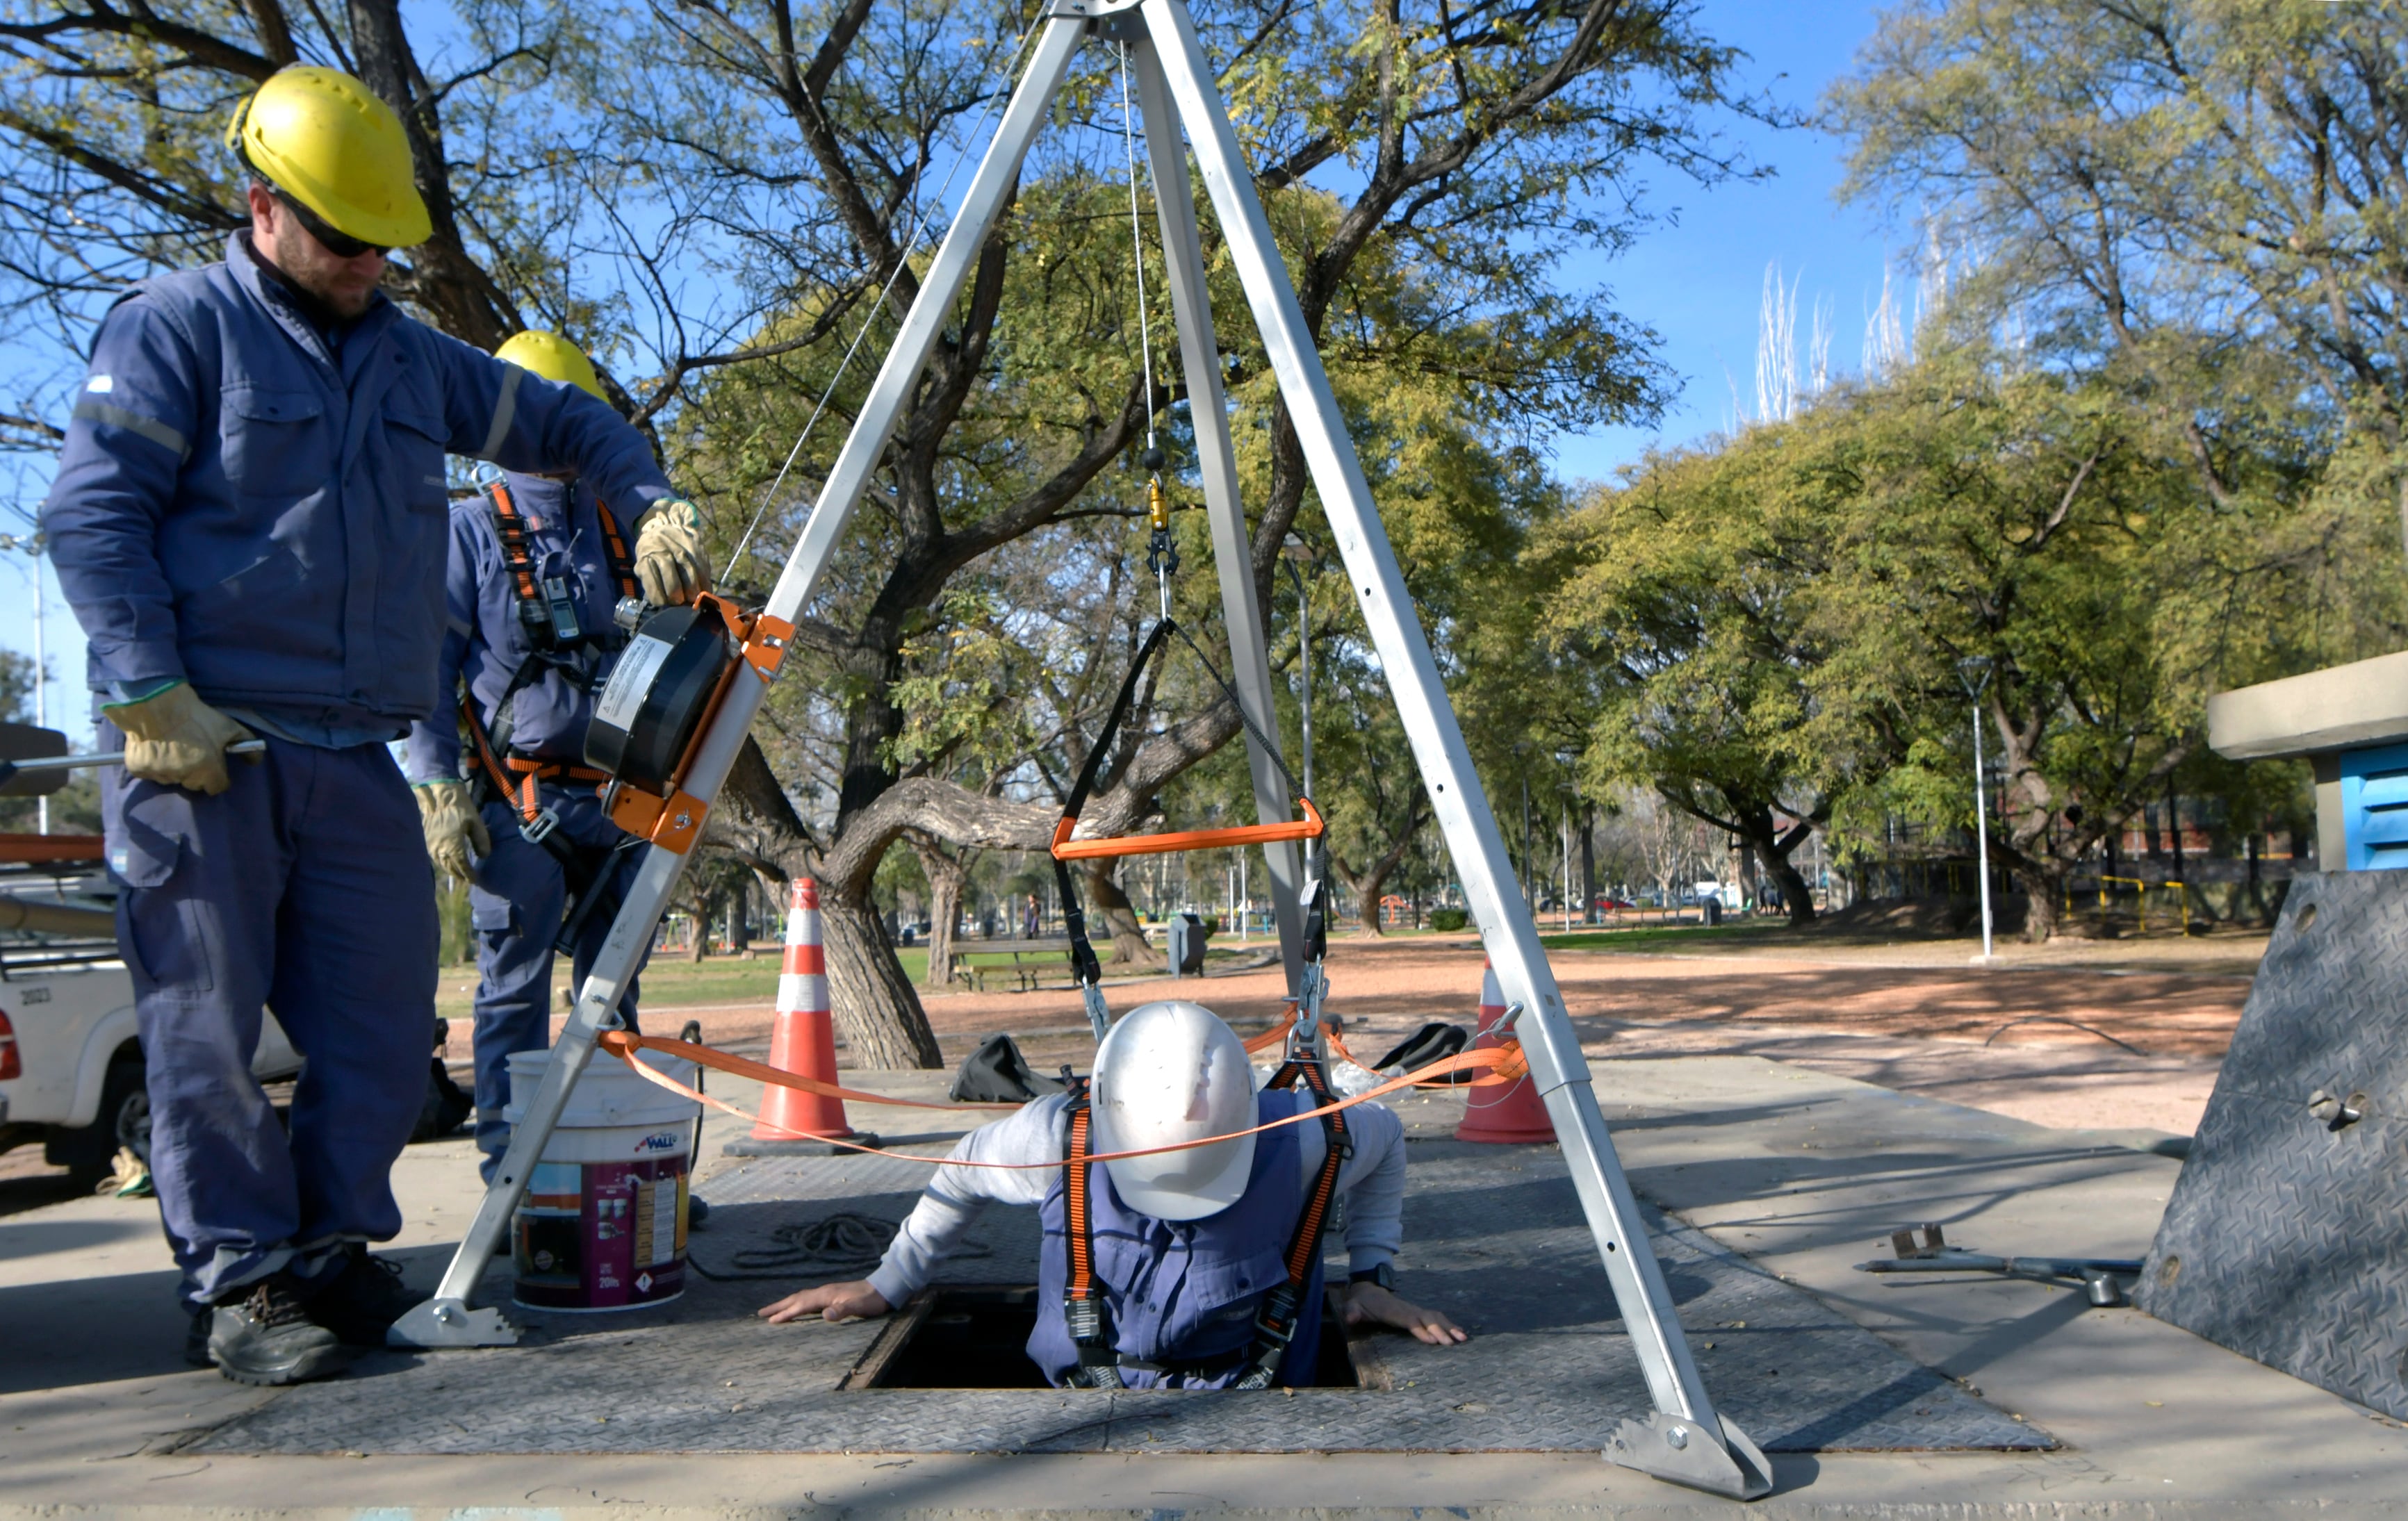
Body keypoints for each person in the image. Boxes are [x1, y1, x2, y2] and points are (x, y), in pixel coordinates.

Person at [40, 65, 712, 1388]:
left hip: (351, 748)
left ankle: (335, 1244)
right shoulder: (175, 329)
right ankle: (241, 1277)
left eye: (383, 247)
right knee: (204, 1025)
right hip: (209, 746)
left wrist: (648, 496)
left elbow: (569, 420)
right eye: (346, 243)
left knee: (381, 1017)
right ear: (265, 210)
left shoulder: (411, 357)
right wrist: (143, 690)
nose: (367, 269)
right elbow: (89, 514)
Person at [758, 1001, 1467, 1387]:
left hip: (1260, 1406)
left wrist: (1372, 1276)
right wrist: (890, 1281)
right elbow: (961, 1169)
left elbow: (1388, 1140)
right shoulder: (1053, 1135)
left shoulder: (1301, 1138)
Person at [403, 331, 657, 1187]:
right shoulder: (467, 533)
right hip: (520, 812)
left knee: (612, 998)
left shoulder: (619, 527)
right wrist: (438, 785)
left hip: (624, 807)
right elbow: (428, 672)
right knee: (511, 997)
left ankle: (615, 1164)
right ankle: (510, 1184)